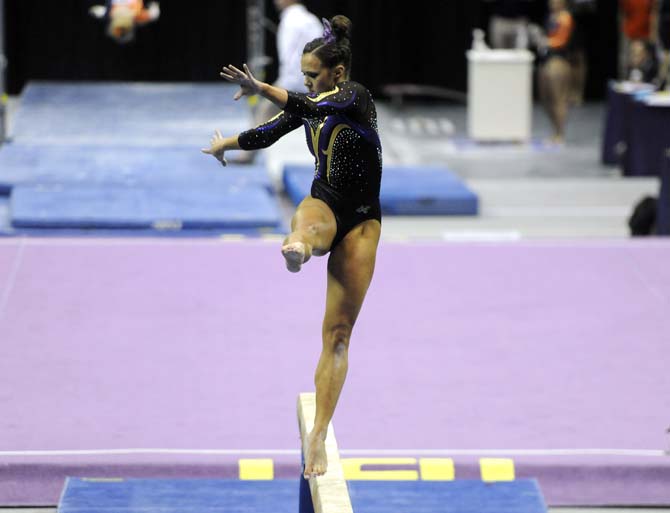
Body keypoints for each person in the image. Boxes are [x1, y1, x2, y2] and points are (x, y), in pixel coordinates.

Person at [202, 15, 382, 479]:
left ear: (336, 74)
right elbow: (270, 132)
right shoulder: (311, 104)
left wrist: (261, 87)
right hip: (326, 203)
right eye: (303, 76)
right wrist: (228, 142)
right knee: (306, 224)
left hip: (363, 222)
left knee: (338, 335)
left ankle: (319, 432)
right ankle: (299, 248)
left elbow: (305, 104)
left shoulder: (355, 98)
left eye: (313, 74)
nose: (306, 83)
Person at [236, 0, 322, 164]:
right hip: (317, 82)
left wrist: (280, 88)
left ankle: (247, 154)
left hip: (296, 82)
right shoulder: (312, 19)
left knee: (263, 114)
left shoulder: (290, 21)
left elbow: (288, 59)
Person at [535, 0, 575, 144]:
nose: (552, 3)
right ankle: (554, 130)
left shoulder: (565, 17)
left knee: (558, 99)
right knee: (546, 99)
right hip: (546, 60)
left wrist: (546, 42)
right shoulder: (550, 16)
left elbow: (561, 40)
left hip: (559, 61)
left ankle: (560, 133)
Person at [89, 0, 160, 44]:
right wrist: (154, 8)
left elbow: (98, 11)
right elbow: (153, 14)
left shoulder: (109, 14)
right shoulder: (137, 16)